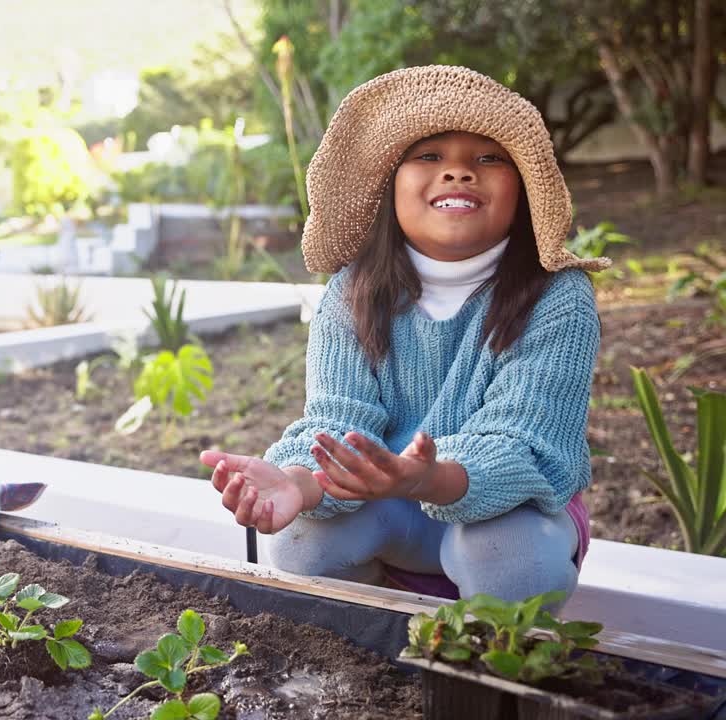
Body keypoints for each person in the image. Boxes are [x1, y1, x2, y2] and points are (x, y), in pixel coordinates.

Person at [200, 66, 610, 606]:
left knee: (505, 554)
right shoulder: (353, 292)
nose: (458, 174)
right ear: (390, 183)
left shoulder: (556, 297)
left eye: (489, 158)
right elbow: (336, 421)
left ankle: (490, 670)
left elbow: (523, 447)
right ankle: (378, 648)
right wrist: (297, 484)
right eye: (430, 156)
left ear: (526, 188)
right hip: (394, 512)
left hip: (512, 513)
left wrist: (422, 477)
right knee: (302, 541)